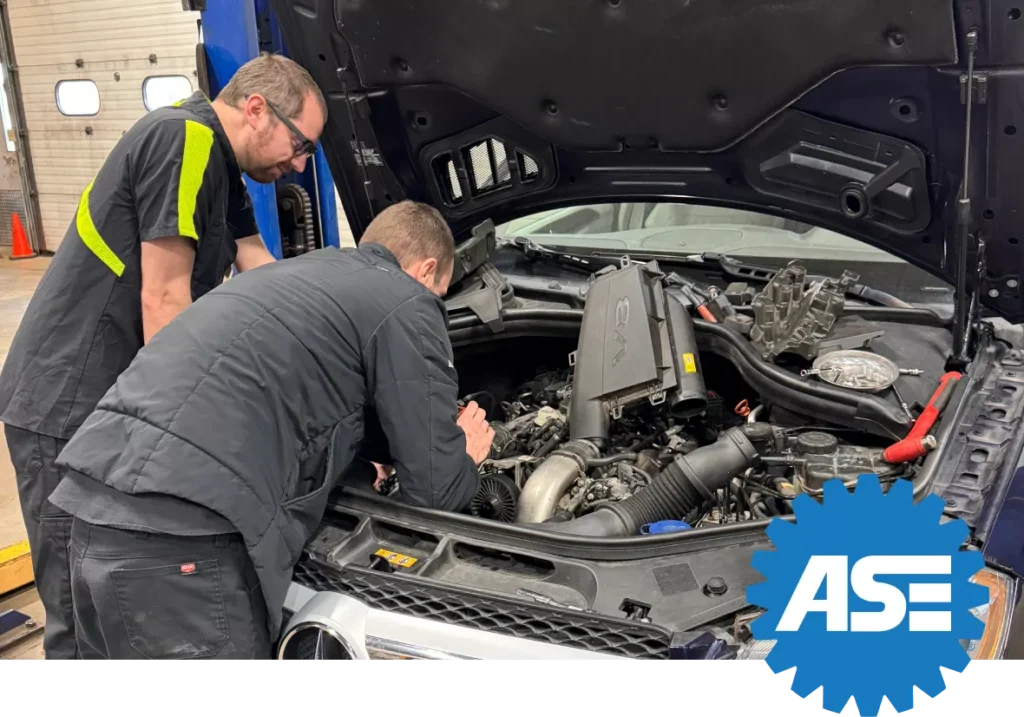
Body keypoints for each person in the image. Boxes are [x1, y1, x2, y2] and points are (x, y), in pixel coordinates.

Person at [46, 200, 495, 663]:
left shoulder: (297, 276)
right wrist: (467, 453)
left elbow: (288, 389)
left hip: (88, 510)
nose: (433, 303)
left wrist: (369, 453)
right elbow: (437, 490)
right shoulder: (407, 299)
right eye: (439, 292)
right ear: (426, 270)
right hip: (178, 543)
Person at [0, 52, 327, 663]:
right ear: (257, 109)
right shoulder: (184, 139)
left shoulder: (224, 164)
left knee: (108, 600)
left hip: (105, 397)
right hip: (65, 399)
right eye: (300, 141)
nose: (299, 163)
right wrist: (197, 431)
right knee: (79, 614)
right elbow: (165, 297)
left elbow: (259, 268)